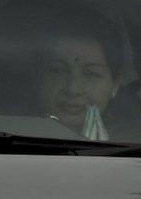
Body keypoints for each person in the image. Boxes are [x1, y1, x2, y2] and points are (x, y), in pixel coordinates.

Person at [33, 8, 125, 140]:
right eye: (58, 70)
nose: (72, 89)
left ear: (115, 84)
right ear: (39, 76)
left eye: (91, 74)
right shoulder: (3, 132)